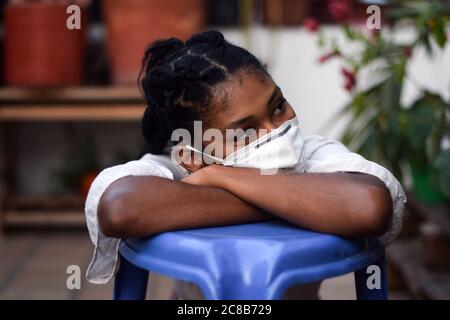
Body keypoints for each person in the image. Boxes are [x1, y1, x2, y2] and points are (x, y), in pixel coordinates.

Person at [84, 30, 406, 299]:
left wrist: (223, 177)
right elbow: (120, 207)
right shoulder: (179, 167)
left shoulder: (310, 154)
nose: (275, 131)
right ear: (194, 155)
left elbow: (370, 206)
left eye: (278, 107)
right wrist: (289, 202)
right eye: (245, 131)